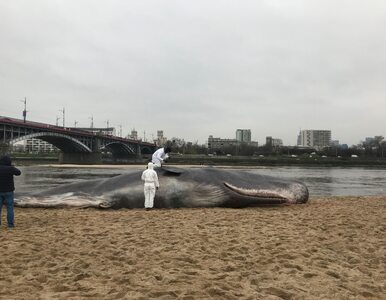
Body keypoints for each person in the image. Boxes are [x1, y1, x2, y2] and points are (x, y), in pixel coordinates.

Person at [0, 155, 21, 228]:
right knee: (10, 208)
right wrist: (11, 166)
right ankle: (10, 225)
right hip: (9, 191)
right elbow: (19, 173)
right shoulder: (11, 168)